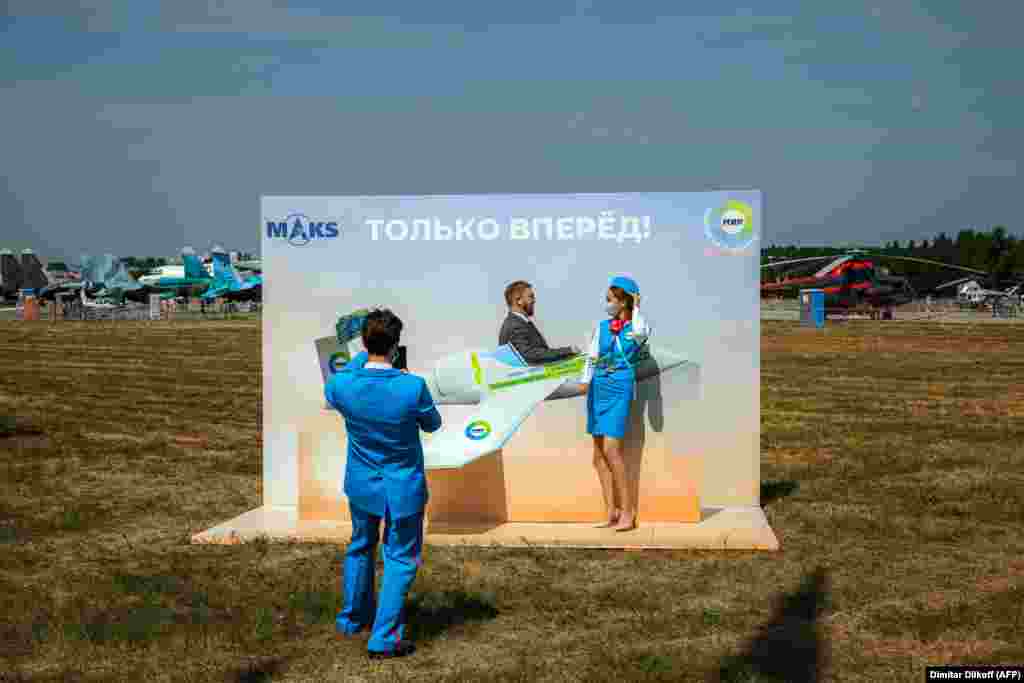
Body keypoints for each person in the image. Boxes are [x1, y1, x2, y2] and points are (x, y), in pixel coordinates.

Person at [325, 308, 442, 659]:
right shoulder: (411, 386)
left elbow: (351, 374)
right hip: (402, 487)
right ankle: (384, 637)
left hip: (362, 483)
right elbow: (432, 424)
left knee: (360, 545)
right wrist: (396, 368)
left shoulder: (341, 384)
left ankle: (351, 618)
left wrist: (366, 353)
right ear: (396, 345)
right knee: (400, 558)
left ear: (364, 342)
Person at [579, 276, 652, 532]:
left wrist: (637, 306)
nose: (606, 303)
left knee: (612, 449)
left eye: (610, 299)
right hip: (598, 387)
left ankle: (628, 512)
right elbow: (591, 356)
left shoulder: (637, 327)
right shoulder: (602, 326)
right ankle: (611, 511)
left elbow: (642, 332)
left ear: (624, 301)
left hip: (619, 388)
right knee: (598, 456)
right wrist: (585, 381)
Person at [499, 280, 581, 364]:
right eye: (531, 297)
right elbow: (530, 355)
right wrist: (568, 351)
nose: (534, 300)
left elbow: (539, 353)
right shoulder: (514, 325)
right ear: (518, 300)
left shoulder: (521, 322)